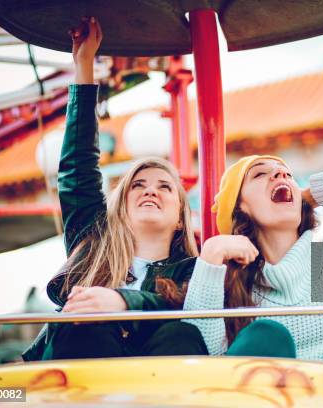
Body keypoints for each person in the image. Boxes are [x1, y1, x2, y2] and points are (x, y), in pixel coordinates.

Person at [22, 17, 206, 361]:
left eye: (165, 186)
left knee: (182, 332)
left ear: (180, 218)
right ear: (121, 206)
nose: (150, 191)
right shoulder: (93, 243)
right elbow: (78, 166)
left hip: (156, 365)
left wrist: (122, 301)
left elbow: (192, 310)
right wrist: (84, 67)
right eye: (138, 185)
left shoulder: (194, 271)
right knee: (87, 322)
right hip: (87, 358)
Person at [183, 155, 323, 406]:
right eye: (259, 174)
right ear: (240, 207)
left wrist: (307, 197)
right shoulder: (227, 281)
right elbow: (201, 362)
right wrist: (211, 254)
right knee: (265, 338)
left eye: (287, 174)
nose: (280, 176)